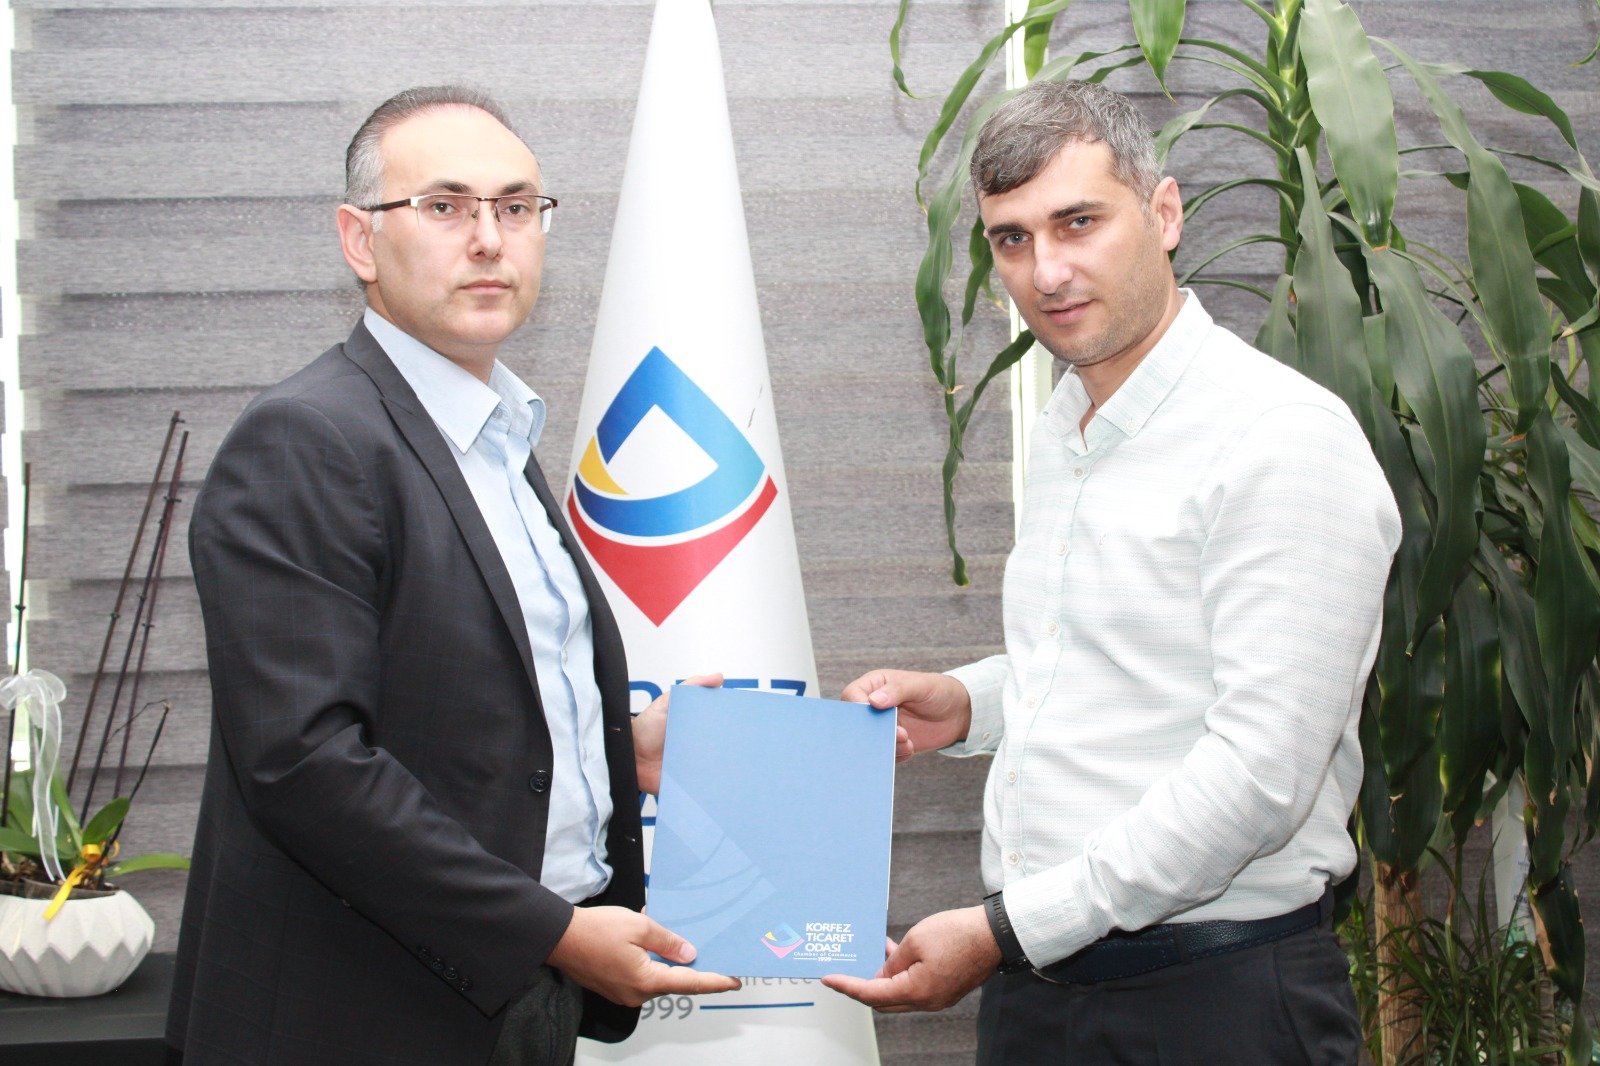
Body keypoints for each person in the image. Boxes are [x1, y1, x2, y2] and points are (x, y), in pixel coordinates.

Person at [821, 79, 1400, 1064]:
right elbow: (1124, 659)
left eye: (1078, 222)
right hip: (1039, 997)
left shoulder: (1282, 437)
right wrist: (968, 705)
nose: (1046, 271)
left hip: (1216, 1006)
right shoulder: (1068, 423)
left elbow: (1259, 775)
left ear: (1164, 213)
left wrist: (1006, 929)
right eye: (1011, 238)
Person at [167, 86, 738, 1066]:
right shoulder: (307, 437)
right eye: (444, 206)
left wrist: (619, 748)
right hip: (356, 1017)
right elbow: (304, 764)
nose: (488, 239)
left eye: (515, 207)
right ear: (359, 240)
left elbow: (462, 696)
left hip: (514, 993)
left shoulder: (497, 435)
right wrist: (551, 931)